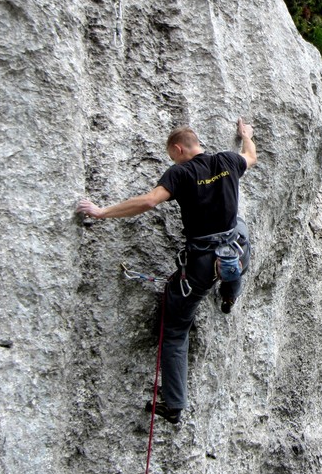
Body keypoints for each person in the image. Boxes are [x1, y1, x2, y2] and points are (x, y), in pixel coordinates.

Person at [76, 118, 257, 424]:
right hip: (234, 246)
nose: (171, 159)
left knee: (174, 330)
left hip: (201, 262)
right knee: (239, 235)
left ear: (177, 149)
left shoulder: (180, 173)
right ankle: (229, 295)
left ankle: (173, 404)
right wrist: (245, 136)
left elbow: (148, 201)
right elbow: (251, 156)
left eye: (171, 155)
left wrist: (102, 212)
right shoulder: (228, 159)